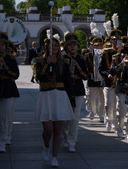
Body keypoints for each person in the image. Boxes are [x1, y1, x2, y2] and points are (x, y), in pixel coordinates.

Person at [35, 38, 74, 167]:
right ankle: (46, 147)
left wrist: (71, 99)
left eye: (57, 45)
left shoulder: (64, 62)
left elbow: (68, 82)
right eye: (52, 45)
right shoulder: (40, 60)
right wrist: (47, 63)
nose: (55, 47)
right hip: (46, 96)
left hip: (60, 96)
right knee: (48, 129)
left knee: (58, 130)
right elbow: (38, 77)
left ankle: (54, 156)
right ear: (47, 47)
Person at [63, 33, 88, 152]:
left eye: (74, 45)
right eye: (70, 45)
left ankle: (72, 141)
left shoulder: (81, 59)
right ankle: (65, 135)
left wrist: (77, 74)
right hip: (64, 91)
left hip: (77, 90)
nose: (72, 47)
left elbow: (86, 76)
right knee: (65, 117)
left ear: (78, 46)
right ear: (66, 46)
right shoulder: (61, 58)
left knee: (75, 117)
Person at [0, 33, 20, 152]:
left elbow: (16, 75)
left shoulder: (10, 58)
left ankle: (6, 136)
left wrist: (5, 67)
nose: (0, 47)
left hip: (8, 88)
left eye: (2, 44)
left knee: (7, 116)